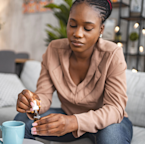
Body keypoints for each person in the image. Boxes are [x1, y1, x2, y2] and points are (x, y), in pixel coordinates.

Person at [14, 0, 133, 143]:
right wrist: (33, 103)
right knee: (22, 120)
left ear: (101, 30)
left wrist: (74, 122)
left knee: (111, 138)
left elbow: (115, 109)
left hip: (107, 122)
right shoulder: (54, 50)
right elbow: (44, 95)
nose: (77, 33)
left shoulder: (112, 54)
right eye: (72, 25)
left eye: (87, 28)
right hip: (68, 117)